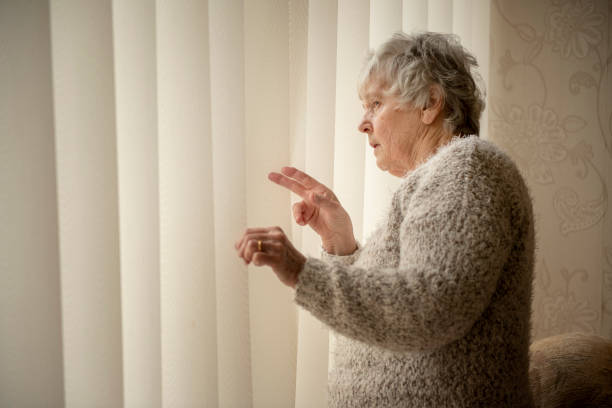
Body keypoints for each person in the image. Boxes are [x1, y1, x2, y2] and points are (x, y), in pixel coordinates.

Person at [234, 31, 535, 407]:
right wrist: (341, 246)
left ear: (429, 103)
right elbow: (397, 310)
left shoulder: (467, 169)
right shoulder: (442, 177)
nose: (362, 123)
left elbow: (430, 310)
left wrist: (299, 270)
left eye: (376, 103)